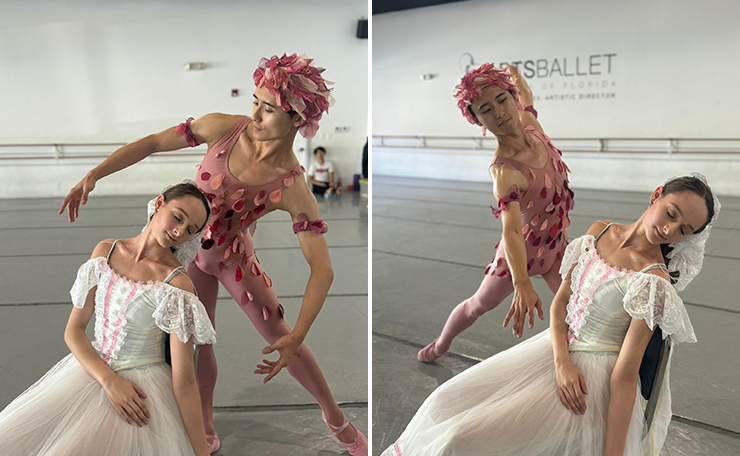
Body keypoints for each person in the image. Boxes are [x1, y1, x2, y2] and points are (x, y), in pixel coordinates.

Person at [59, 53, 367, 455]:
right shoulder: (222, 128)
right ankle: (202, 425)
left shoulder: (293, 187)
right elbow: (153, 143)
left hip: (234, 261)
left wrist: (298, 336)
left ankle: (336, 418)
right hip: (190, 259)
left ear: (297, 120)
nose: (255, 113)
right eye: (255, 101)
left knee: (281, 336)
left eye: (268, 108)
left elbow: (322, 270)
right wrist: (94, 174)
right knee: (196, 347)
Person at [383, 173, 719, 456]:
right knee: (442, 401)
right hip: (554, 352)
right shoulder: (600, 231)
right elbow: (561, 303)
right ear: (656, 195)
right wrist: (562, 362)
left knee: (461, 439)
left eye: (684, 230)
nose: (670, 231)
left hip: (590, 384)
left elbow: (626, 376)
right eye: (671, 214)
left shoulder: (654, 282)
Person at [0, 182, 216, 456]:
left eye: (189, 230)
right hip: (91, 373)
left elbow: (184, 380)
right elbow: (74, 330)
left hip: (142, 392)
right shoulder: (105, 252)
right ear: (159, 203)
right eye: (177, 217)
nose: (178, 231)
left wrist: (200, 453)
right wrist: (109, 380)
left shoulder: (176, 285)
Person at [418, 64, 575, 363]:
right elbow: (512, 232)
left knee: (578, 309)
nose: (500, 113)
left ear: (512, 97)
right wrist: (522, 283)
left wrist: (516, 76)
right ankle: (441, 344)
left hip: (555, 247)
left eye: (503, 100)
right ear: (478, 120)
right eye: (486, 109)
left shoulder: (532, 125)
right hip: (519, 257)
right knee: (477, 305)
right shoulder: (505, 172)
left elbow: (526, 95)